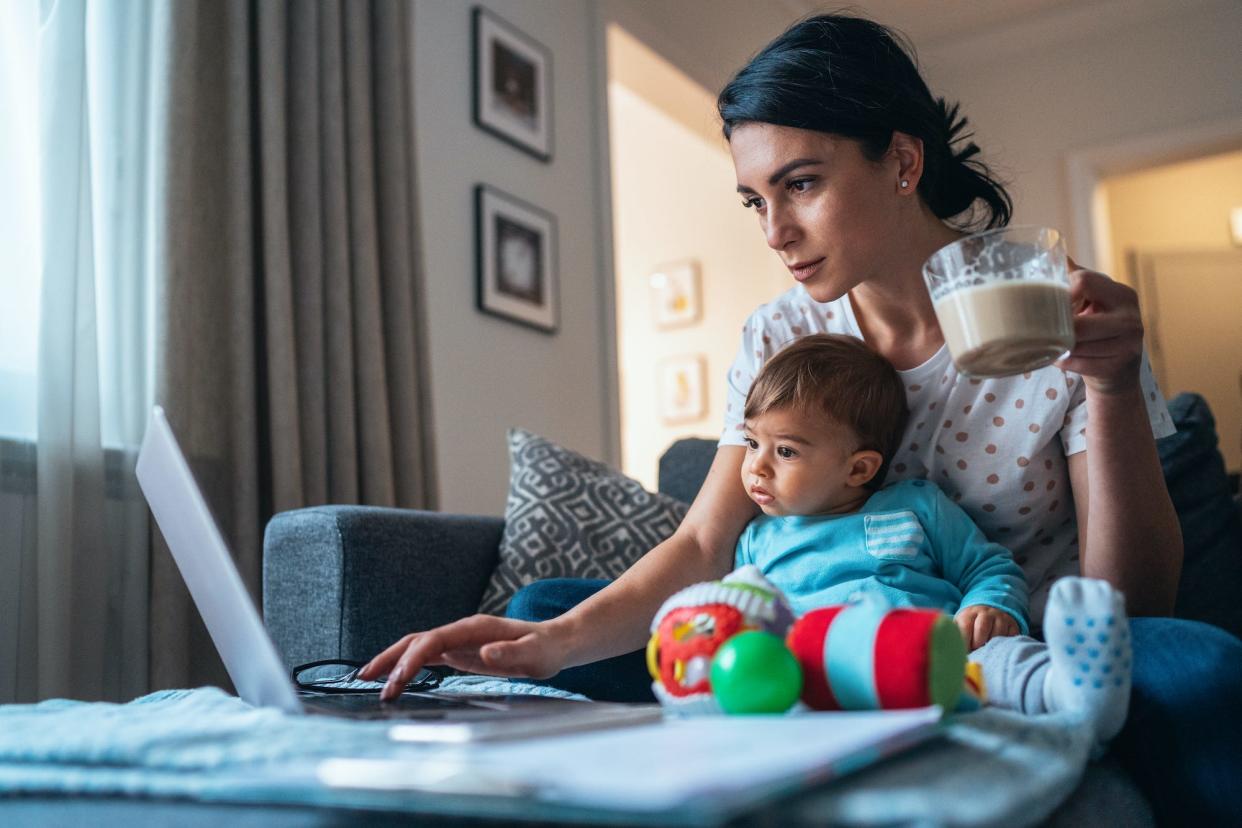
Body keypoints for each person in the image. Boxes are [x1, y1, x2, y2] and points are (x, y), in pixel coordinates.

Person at [360, 14, 1242, 822]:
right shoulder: (783, 331)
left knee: (1197, 663)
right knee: (549, 606)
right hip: (811, 640)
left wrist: (1115, 385)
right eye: (755, 199)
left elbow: (1130, 603)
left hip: (1012, 656)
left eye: (802, 184)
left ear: (901, 162)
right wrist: (546, 643)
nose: (774, 231)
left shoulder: (1055, 310)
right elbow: (706, 547)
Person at [728, 333, 1130, 750]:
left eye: (786, 452)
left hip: (940, 658)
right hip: (828, 676)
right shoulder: (757, 542)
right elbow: (745, 616)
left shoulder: (915, 506)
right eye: (753, 443)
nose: (756, 466)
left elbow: (987, 567)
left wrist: (989, 605)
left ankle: (1072, 694)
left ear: (859, 469)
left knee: (998, 661)